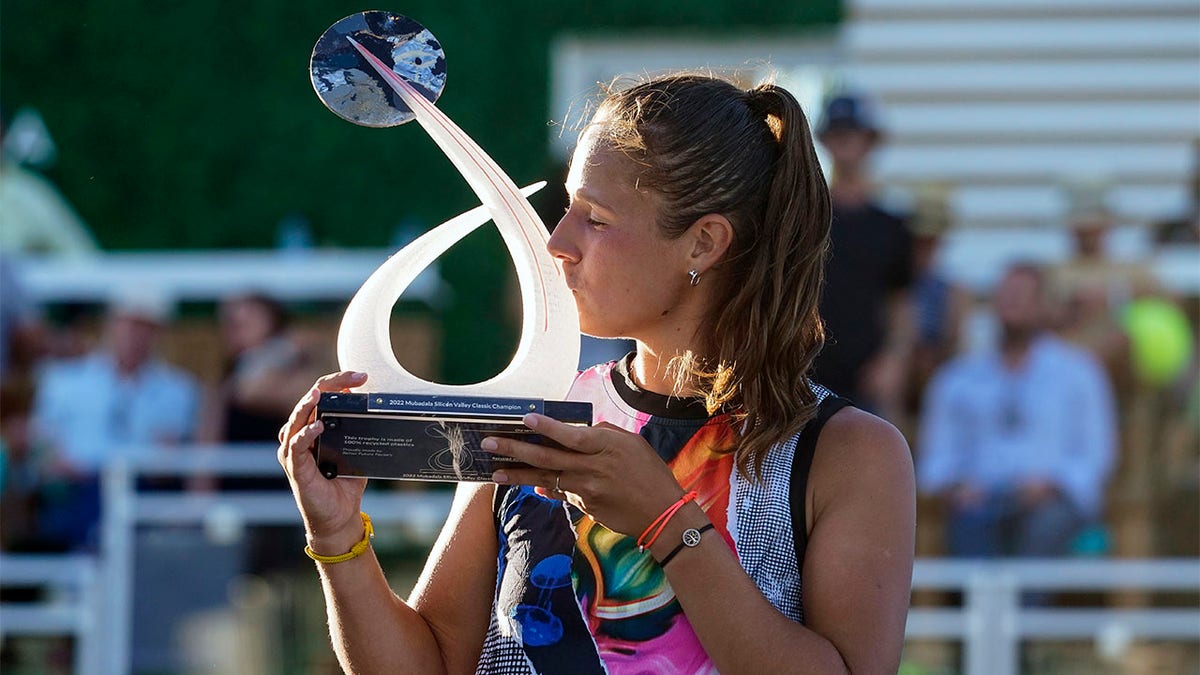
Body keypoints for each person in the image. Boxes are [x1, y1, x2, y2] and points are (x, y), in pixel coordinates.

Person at [278, 73, 915, 673]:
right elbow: (434, 661)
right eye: (566, 209)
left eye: (596, 219)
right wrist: (339, 539)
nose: (558, 241)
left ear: (703, 243)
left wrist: (666, 521)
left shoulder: (847, 452)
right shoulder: (539, 408)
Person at [917, 263, 1117, 558]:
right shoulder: (958, 377)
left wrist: (1051, 485)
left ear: (1044, 305)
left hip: (1051, 500)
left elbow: (1095, 453)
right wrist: (957, 486)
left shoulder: (1079, 372)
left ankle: (1025, 605)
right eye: (1006, 294)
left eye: (1023, 295)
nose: (1012, 302)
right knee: (971, 524)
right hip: (980, 499)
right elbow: (937, 455)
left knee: (1045, 526)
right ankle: (985, 604)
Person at [29, 289, 199, 550]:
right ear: (111, 325)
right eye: (128, 324)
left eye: (145, 327)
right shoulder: (64, 381)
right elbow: (43, 446)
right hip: (78, 493)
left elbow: (170, 461)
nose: (134, 336)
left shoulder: (179, 390)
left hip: (142, 493)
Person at [810, 92, 915, 422]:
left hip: (868, 376)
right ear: (825, 141)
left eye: (852, 134)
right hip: (808, 371)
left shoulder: (892, 224)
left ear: (869, 142)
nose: (845, 143)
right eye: (837, 134)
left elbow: (901, 304)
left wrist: (893, 361)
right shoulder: (807, 219)